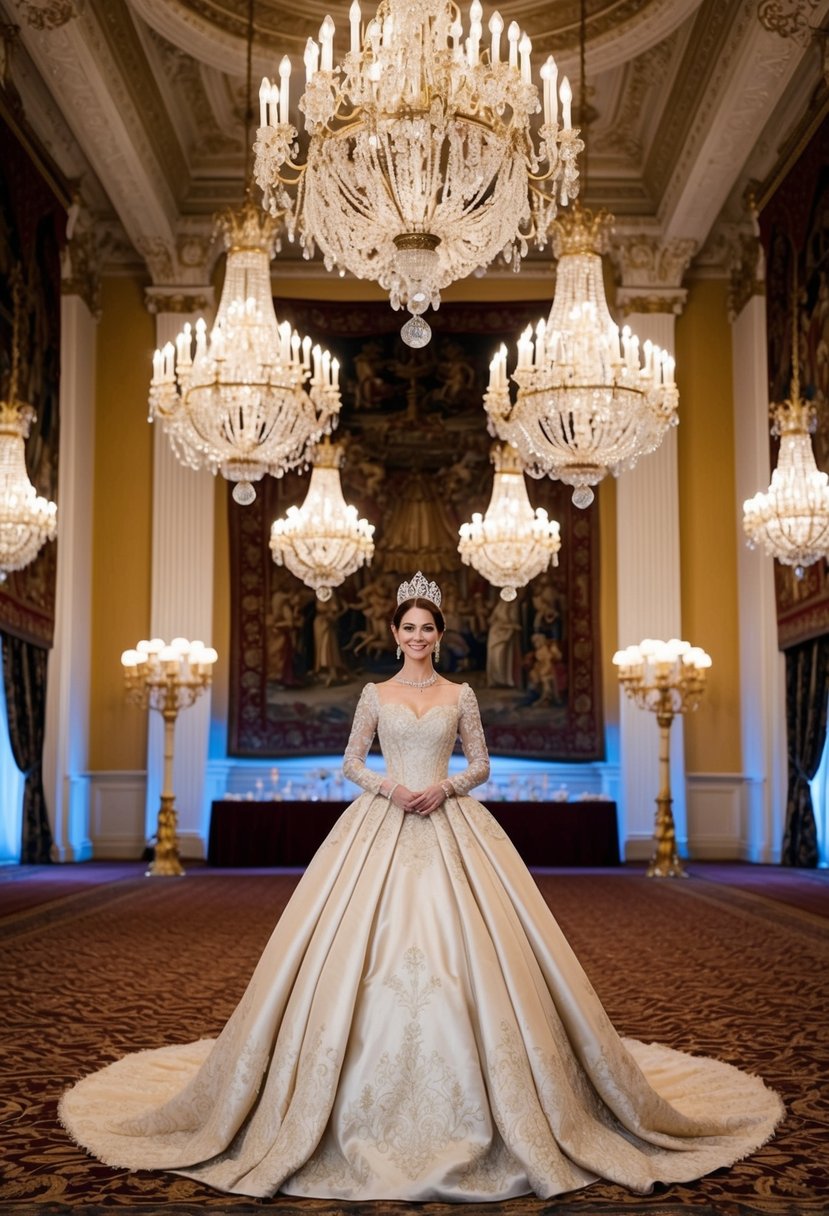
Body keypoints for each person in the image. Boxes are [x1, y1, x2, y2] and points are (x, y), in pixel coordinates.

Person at [59, 572, 783, 1203]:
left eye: (425, 627)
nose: (415, 636)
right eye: (406, 627)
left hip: (449, 822)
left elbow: (482, 765)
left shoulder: (460, 692)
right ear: (394, 631)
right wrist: (388, 787)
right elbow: (349, 763)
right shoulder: (372, 693)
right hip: (378, 824)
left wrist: (442, 787)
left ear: (439, 633)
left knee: (474, 959)